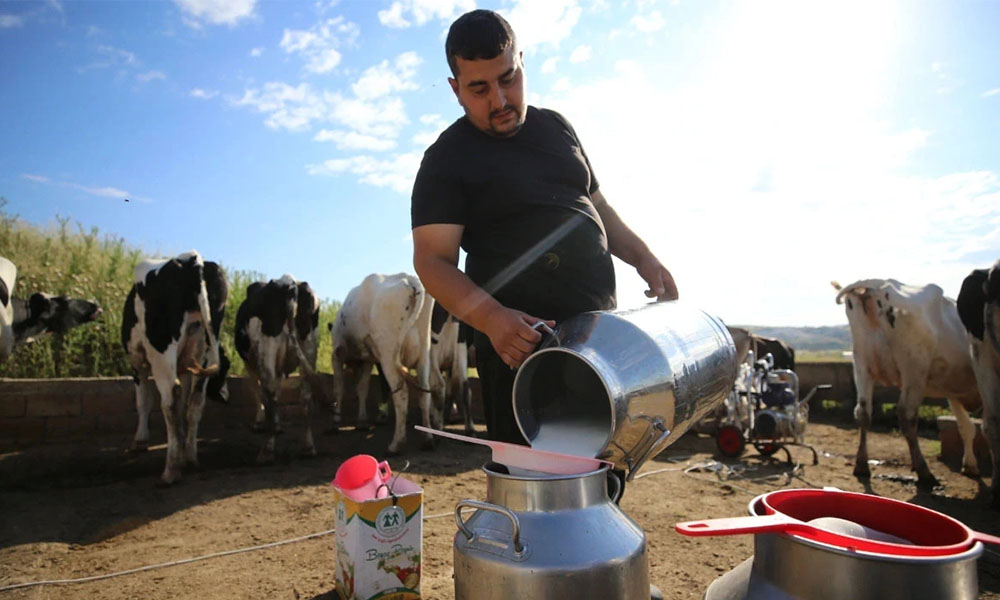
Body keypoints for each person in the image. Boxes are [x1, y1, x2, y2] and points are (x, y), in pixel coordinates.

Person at [411, 9, 678, 449]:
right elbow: (432, 261)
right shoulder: (446, 159)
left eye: (508, 78)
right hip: (522, 358)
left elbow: (598, 207)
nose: (500, 100)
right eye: (479, 88)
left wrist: (643, 257)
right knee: (534, 482)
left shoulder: (556, 127)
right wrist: (492, 320)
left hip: (600, 345)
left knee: (606, 473)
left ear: (522, 62)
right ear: (456, 90)